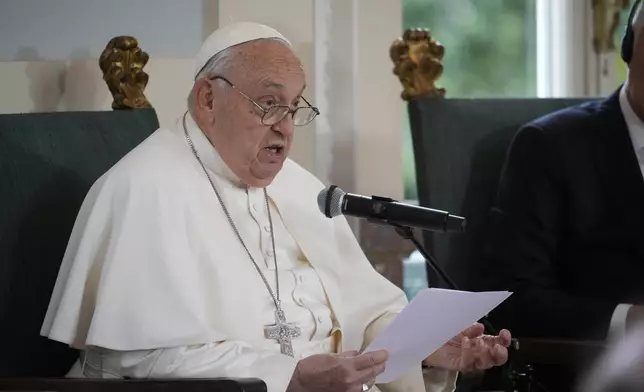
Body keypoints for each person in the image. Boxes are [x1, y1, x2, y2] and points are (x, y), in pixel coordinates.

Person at [40, 22, 511, 392]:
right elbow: (140, 360)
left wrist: (425, 350)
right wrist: (291, 379)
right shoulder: (143, 189)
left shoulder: (296, 186)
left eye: (294, 107)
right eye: (268, 104)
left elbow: (363, 313)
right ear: (208, 99)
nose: (286, 127)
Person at [481, 0, 644, 389]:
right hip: (590, 371)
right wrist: (631, 320)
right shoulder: (550, 146)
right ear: (629, 49)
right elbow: (515, 297)